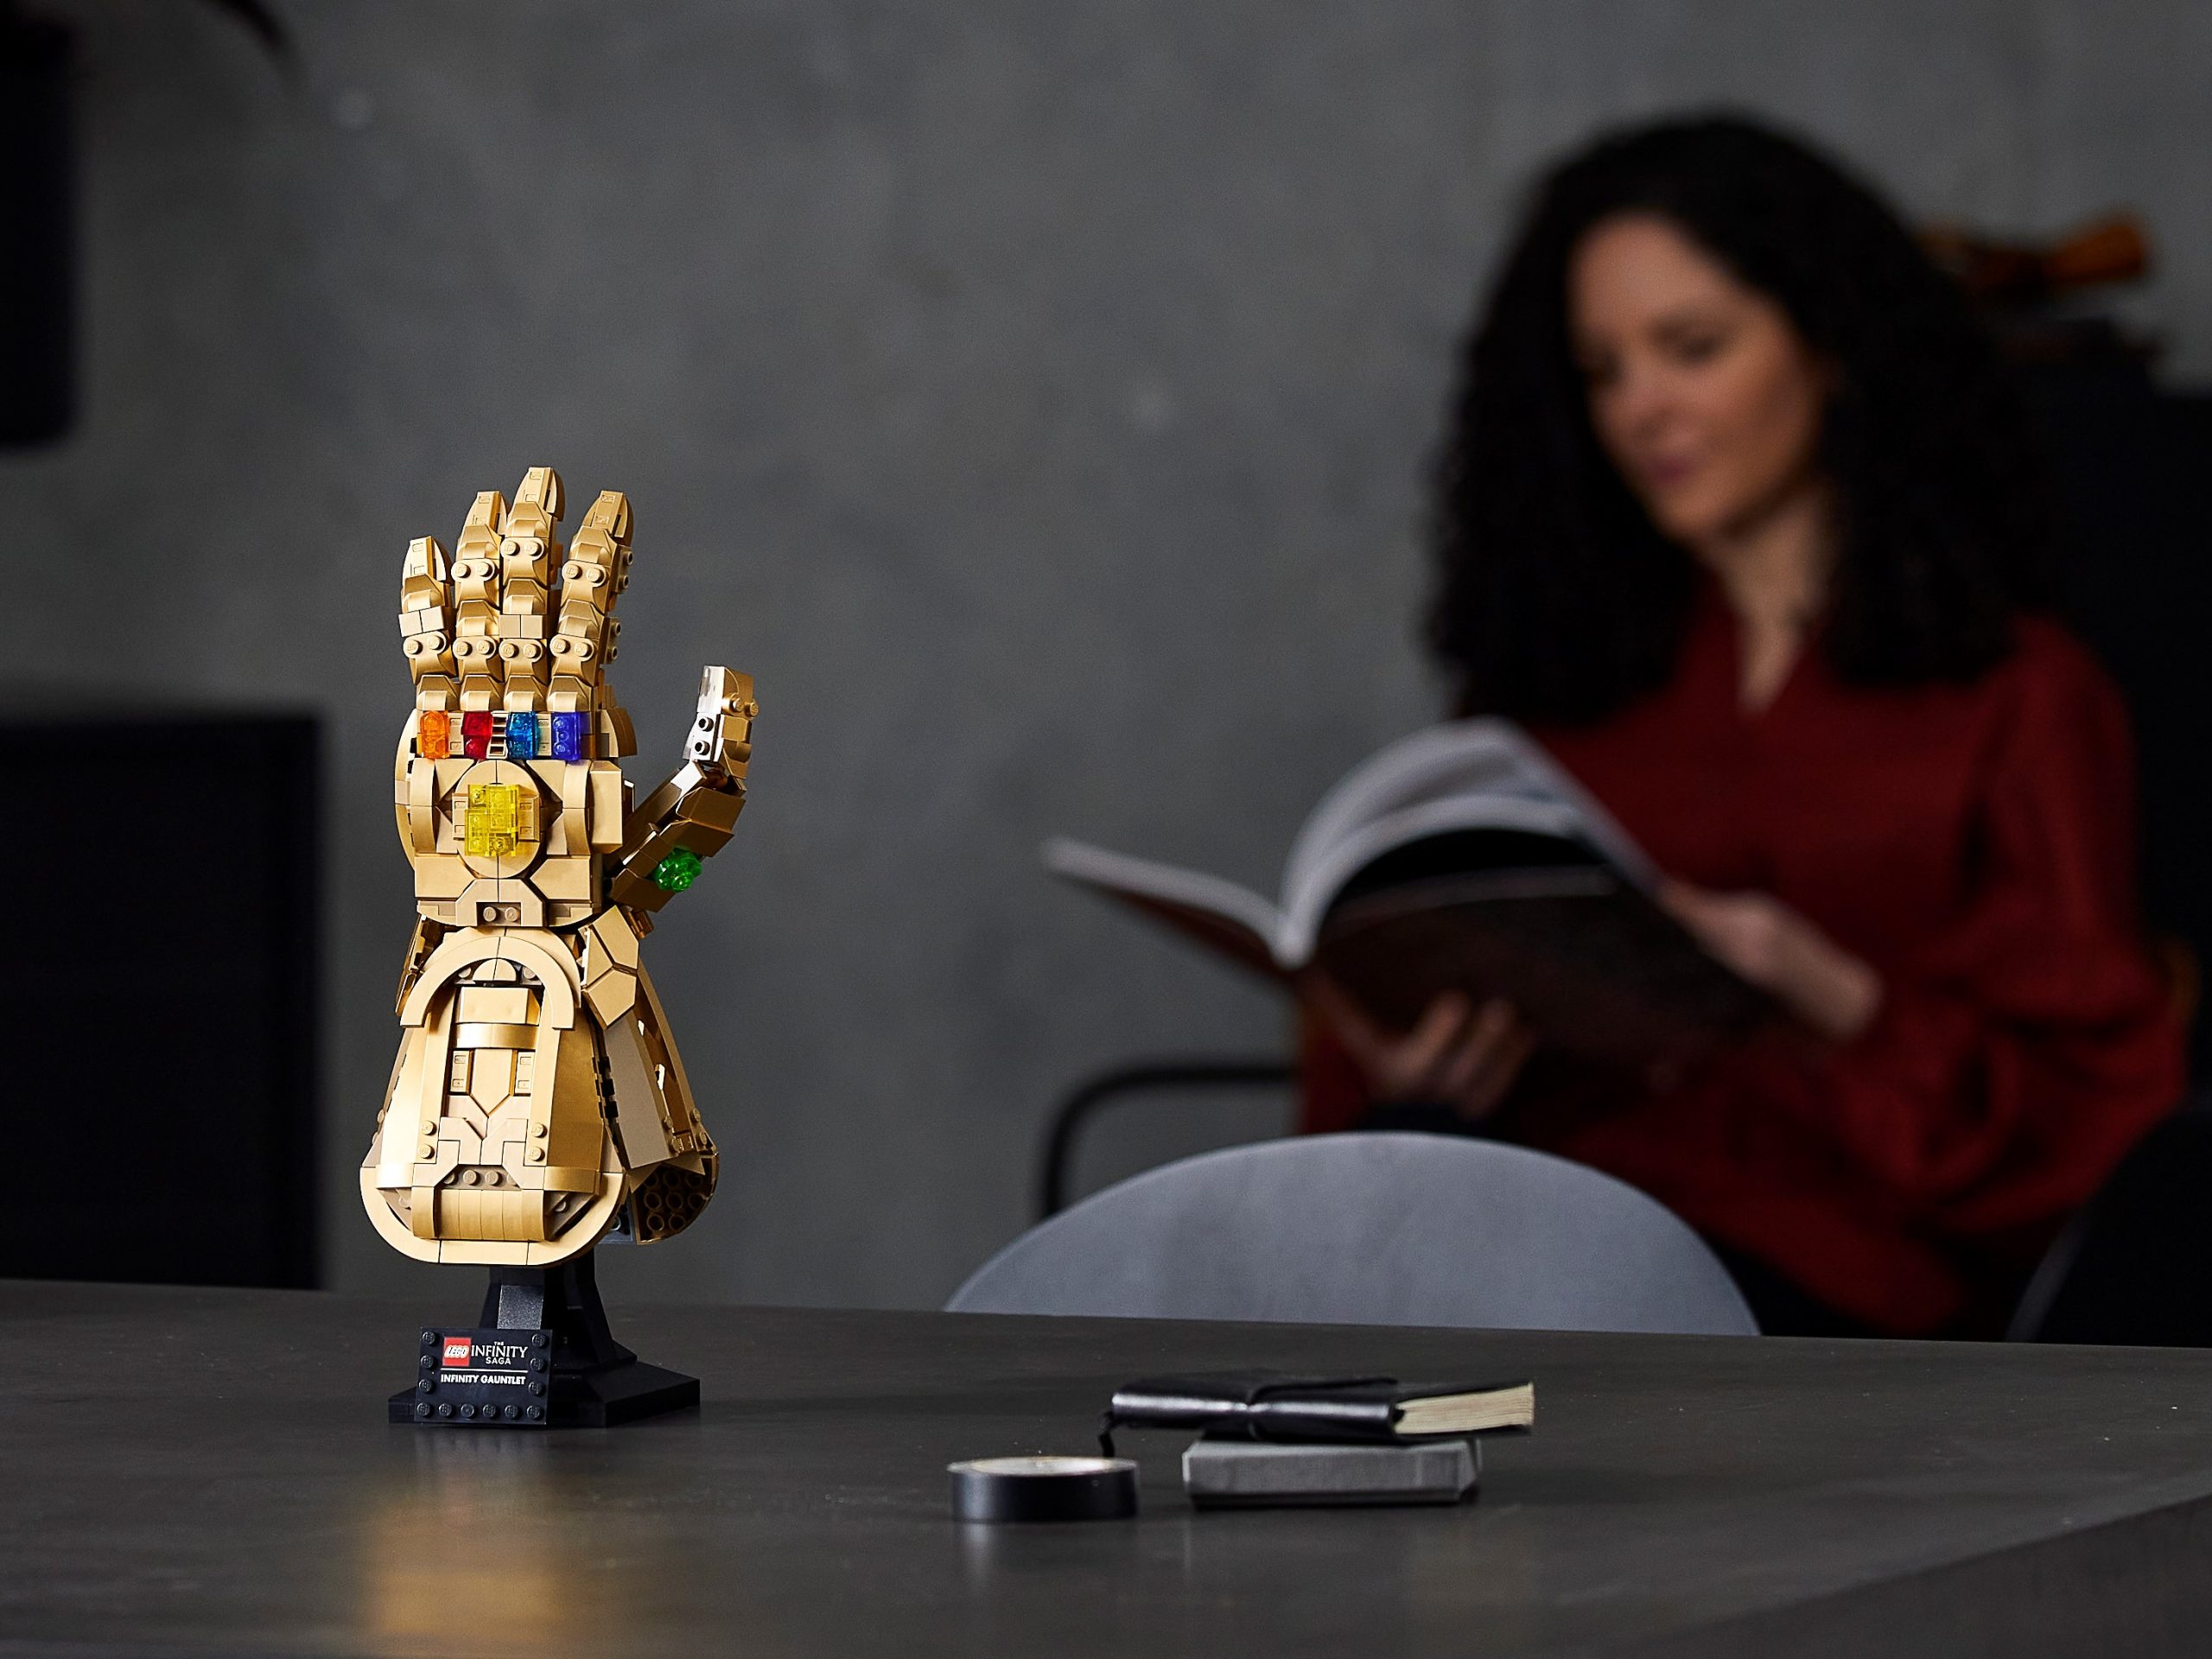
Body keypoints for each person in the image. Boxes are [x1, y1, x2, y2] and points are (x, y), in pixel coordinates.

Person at [1300, 116, 2186, 1338]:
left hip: (1827, 1283)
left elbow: (2093, 1135)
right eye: (1603, 371)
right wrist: (1417, 1068)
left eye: (1693, 348)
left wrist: (1823, 989)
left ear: (1828, 347)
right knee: (1316, 1261)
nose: (1641, 410)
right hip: (1539, 1230)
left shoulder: (2016, 695)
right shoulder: (1552, 688)